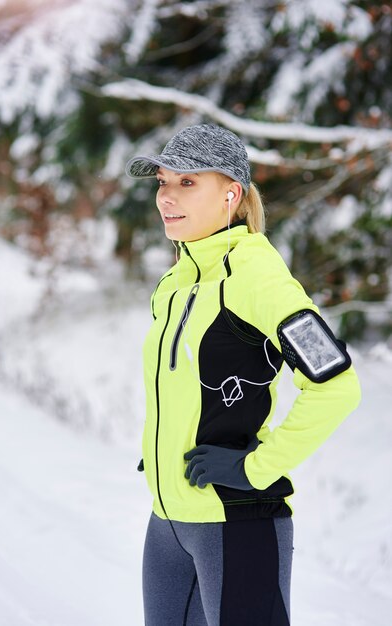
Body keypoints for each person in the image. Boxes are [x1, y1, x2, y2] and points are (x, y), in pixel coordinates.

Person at [125, 124, 361, 626]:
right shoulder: (175, 281)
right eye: (163, 182)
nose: (167, 196)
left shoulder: (258, 277)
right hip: (169, 522)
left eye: (187, 182)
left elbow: (337, 385)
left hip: (236, 524)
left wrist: (254, 468)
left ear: (231, 193)